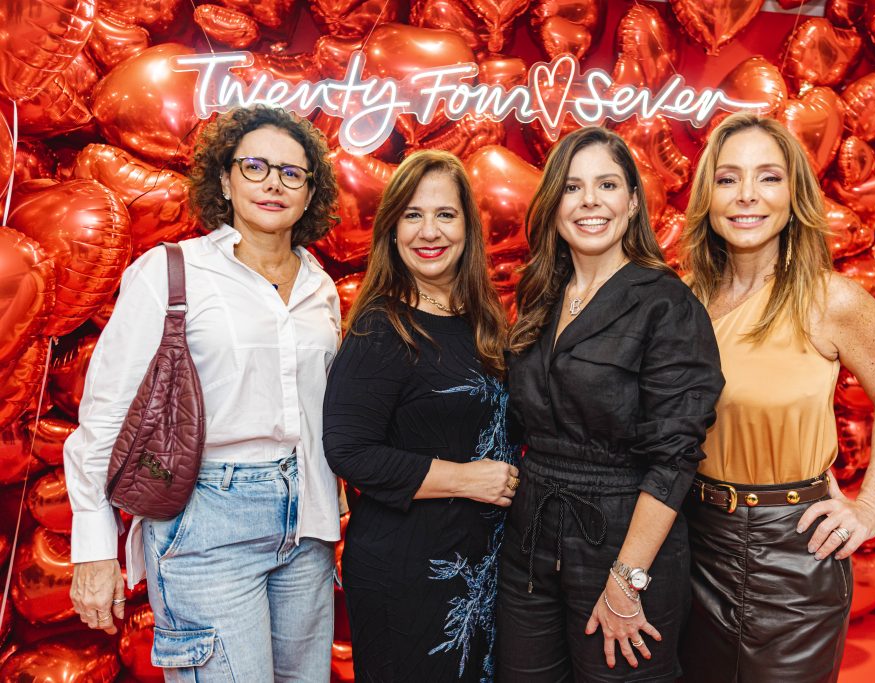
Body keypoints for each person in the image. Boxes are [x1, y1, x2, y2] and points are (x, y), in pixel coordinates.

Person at [65, 105, 343, 681]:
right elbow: (106, 413)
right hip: (206, 517)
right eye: (256, 166)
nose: (273, 182)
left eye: (293, 173)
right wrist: (94, 544)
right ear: (224, 178)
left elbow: (322, 409)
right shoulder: (170, 271)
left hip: (307, 524)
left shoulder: (321, 286)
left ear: (310, 192)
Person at [679, 113, 875, 683]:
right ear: (707, 195)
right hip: (690, 540)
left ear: (794, 195)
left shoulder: (832, 302)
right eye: (728, 178)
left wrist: (870, 505)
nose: (746, 196)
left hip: (792, 551)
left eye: (768, 177)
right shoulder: (682, 301)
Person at [496, 126, 724, 681]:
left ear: (632, 202)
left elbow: (674, 459)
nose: (590, 201)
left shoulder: (667, 304)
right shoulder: (539, 296)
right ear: (553, 206)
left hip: (624, 537)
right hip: (530, 537)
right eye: (572, 188)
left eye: (607, 184)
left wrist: (627, 578)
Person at [322, 150, 518, 682]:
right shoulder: (381, 327)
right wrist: (465, 479)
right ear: (391, 229)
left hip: (478, 568)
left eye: (445, 214)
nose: (428, 231)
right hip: (407, 571)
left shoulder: (482, 319)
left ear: (467, 228)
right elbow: (347, 449)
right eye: (412, 215)